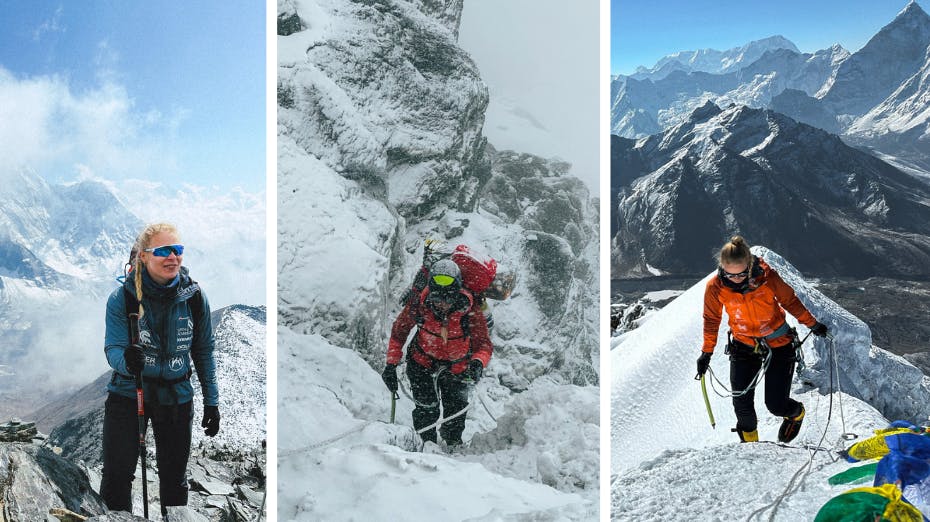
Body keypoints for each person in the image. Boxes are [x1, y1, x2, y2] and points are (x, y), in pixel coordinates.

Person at [100, 223, 220, 512]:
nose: (173, 257)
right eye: (164, 251)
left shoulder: (193, 297)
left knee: (174, 480)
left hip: (176, 397)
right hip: (129, 393)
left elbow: (203, 351)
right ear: (143, 256)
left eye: (177, 250)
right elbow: (113, 347)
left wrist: (212, 402)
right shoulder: (123, 298)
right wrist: (128, 362)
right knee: (116, 477)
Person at [696, 236, 829, 443]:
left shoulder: (767, 278)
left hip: (779, 344)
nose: (736, 279)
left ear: (749, 265)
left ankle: (796, 413)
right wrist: (706, 353)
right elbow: (711, 319)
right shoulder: (715, 287)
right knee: (742, 406)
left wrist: (812, 324)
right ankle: (753, 451)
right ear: (722, 268)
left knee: (776, 405)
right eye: (730, 274)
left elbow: (790, 301)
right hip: (743, 346)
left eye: (741, 274)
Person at [381, 259, 493, 447]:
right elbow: (399, 332)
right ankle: (426, 445)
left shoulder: (470, 311)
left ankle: (452, 443)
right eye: (437, 298)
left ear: (456, 294)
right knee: (426, 409)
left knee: (455, 411)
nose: (442, 305)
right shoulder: (419, 304)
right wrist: (391, 365)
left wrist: (477, 363)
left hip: (458, 368)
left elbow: (483, 344)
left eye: (447, 299)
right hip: (422, 363)